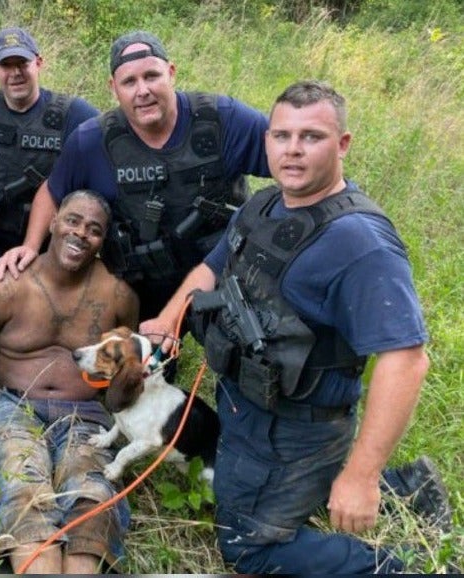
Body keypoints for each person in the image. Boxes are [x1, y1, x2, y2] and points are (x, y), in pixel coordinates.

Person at [140, 80, 452, 574]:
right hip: (244, 406)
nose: (293, 150)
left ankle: (399, 564)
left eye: (312, 137)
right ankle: (406, 486)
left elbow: (407, 361)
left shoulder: (359, 243)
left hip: (294, 427)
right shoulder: (263, 205)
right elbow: (213, 266)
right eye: (281, 136)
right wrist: (168, 317)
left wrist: (363, 475)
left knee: (248, 546)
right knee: (231, 488)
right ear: (266, 141)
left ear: (343, 144)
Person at [0, 30, 270, 322]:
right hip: (145, 283)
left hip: (221, 273)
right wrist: (31, 246)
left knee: (248, 348)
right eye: (129, 82)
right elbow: (52, 192)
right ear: (113, 88)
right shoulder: (91, 141)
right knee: (132, 365)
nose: (143, 91)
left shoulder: (224, 119)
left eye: (152, 76)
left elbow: (294, 164)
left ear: (171, 73)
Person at [0, 190, 139, 574]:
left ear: (103, 240)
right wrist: (4, 388)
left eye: (94, 230)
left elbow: (125, 357)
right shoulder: (7, 284)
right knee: (21, 482)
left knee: (92, 492)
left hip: (85, 413)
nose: (80, 234)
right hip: (13, 404)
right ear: (52, 222)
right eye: (72, 221)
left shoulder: (118, 293)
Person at [0, 26, 99, 287]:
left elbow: (110, 144)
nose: (15, 72)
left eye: (22, 63)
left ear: (38, 63)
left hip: (46, 242)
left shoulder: (74, 114)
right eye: (6, 65)